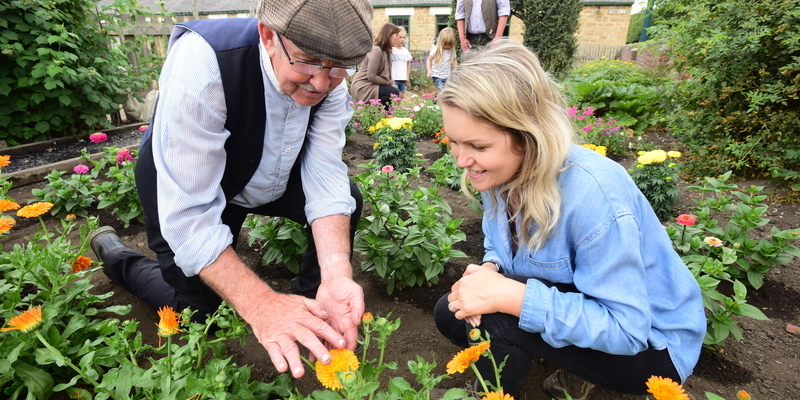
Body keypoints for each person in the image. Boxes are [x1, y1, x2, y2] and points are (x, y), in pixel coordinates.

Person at [89, 0, 374, 380]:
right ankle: (117, 257)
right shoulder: (205, 65)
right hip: (193, 184)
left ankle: (308, 305)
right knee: (199, 310)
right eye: (306, 61)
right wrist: (260, 305)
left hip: (271, 172)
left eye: (339, 67)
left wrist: (336, 273)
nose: (322, 83)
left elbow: (324, 176)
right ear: (268, 36)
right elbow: (191, 217)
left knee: (347, 200)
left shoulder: (327, 78)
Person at [433, 41, 705, 400]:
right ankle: (558, 359)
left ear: (529, 137)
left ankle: (497, 394)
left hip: (651, 347)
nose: (461, 160)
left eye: (478, 147)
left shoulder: (594, 194)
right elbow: (497, 244)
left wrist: (514, 297)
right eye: (454, 142)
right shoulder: (498, 175)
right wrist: (491, 269)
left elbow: (627, 329)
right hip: (589, 303)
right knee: (451, 310)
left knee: (497, 323)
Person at [349, 23, 400, 108]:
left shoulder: (385, 51)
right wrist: (389, 82)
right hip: (363, 85)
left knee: (392, 92)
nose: (398, 39)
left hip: (372, 84)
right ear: (388, 35)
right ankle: (382, 117)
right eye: (396, 36)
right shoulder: (376, 50)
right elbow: (371, 76)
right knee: (392, 92)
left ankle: (381, 116)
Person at [426, 27, 458, 94]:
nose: (447, 46)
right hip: (436, 75)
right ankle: (439, 103)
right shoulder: (436, 49)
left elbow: (454, 61)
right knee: (441, 90)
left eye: (449, 44)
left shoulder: (452, 50)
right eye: (445, 44)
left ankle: (435, 101)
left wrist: (456, 71)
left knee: (445, 91)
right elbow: (429, 60)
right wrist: (429, 70)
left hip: (447, 75)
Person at [389, 27, 413, 99]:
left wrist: (407, 75)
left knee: (401, 95)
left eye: (404, 37)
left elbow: (408, 63)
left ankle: (397, 109)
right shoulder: (392, 50)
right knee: (394, 95)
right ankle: (393, 109)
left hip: (402, 78)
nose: (402, 39)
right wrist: (391, 77)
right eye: (400, 37)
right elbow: (389, 64)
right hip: (394, 78)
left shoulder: (405, 51)